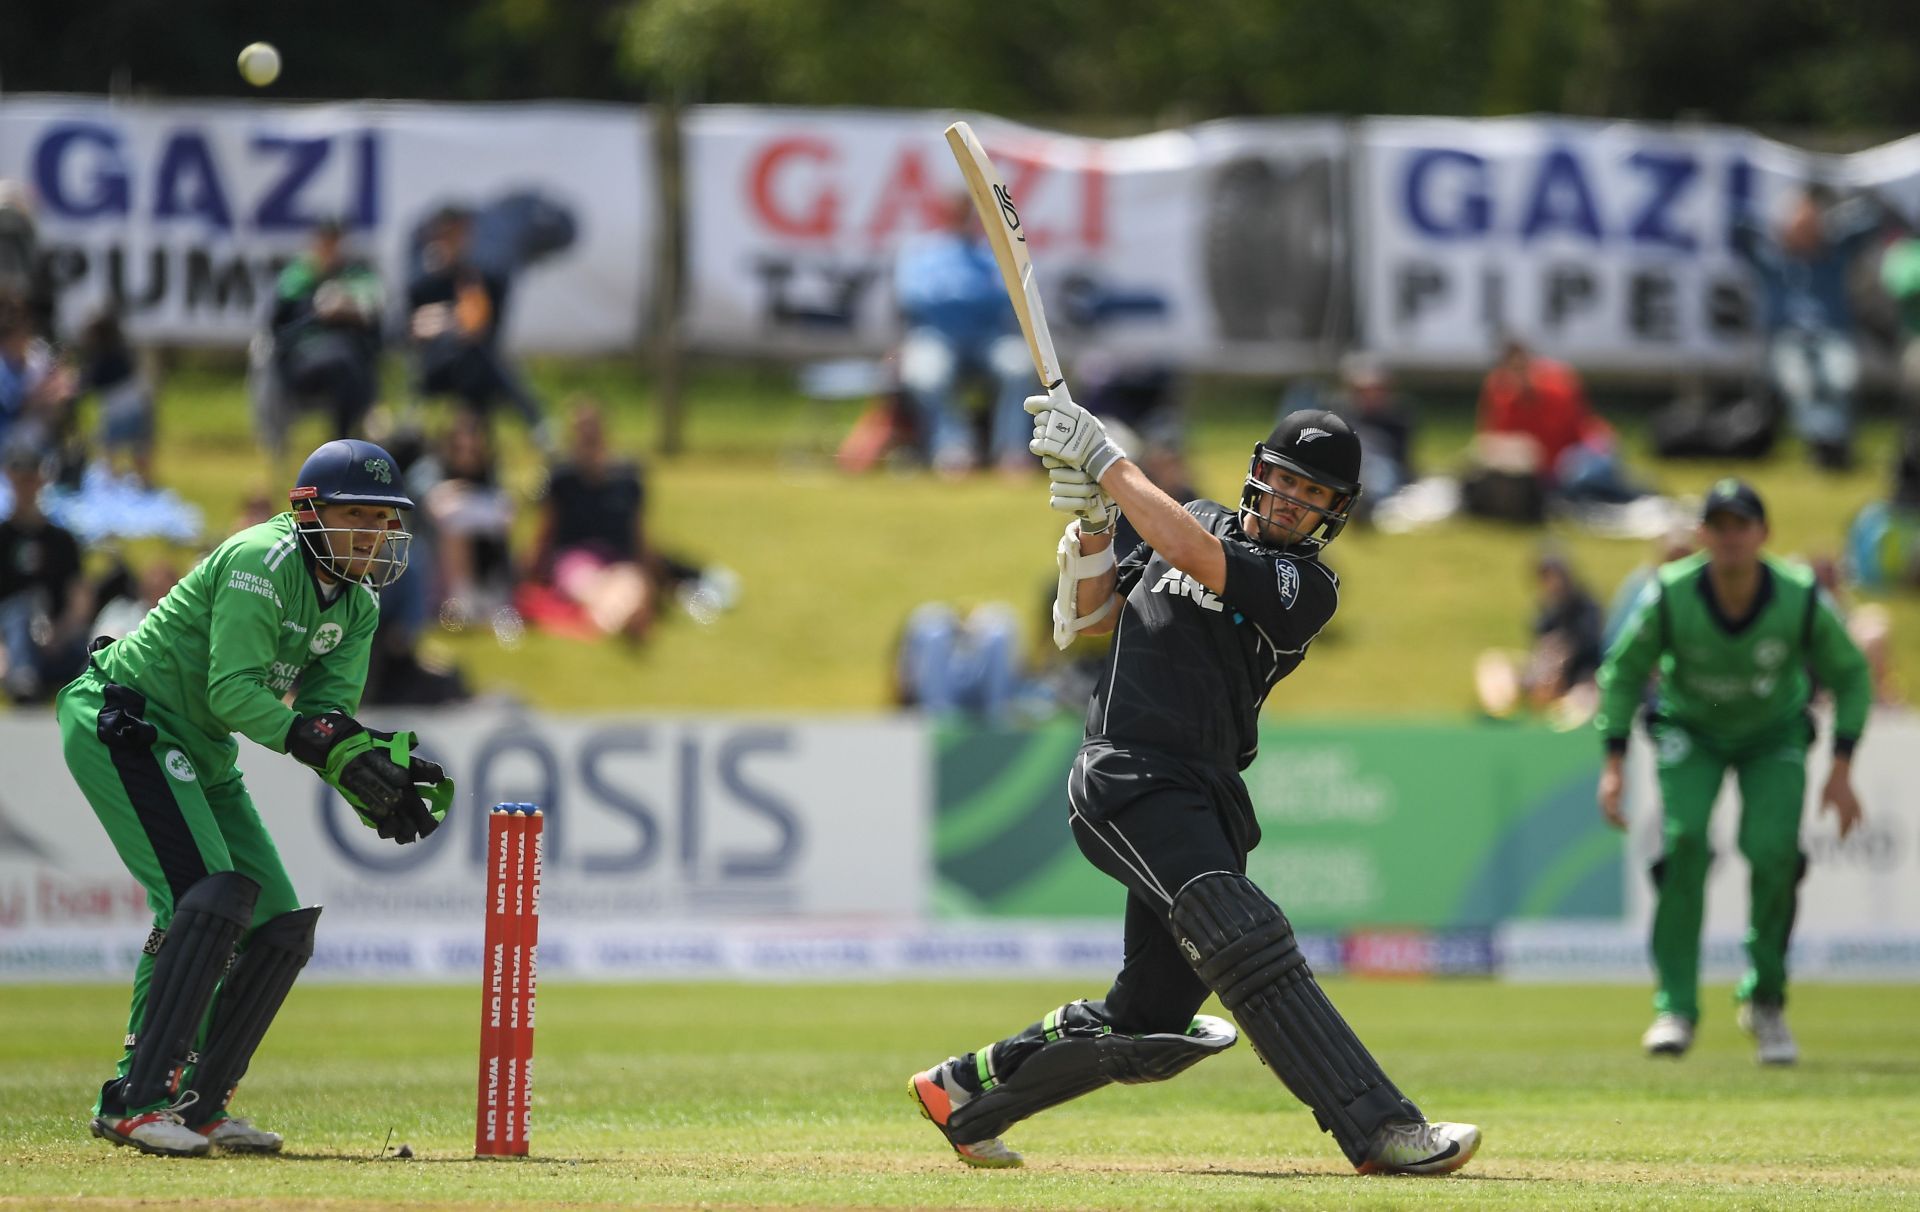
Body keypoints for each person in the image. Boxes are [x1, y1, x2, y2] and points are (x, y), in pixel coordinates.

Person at [906, 399, 1480, 1176]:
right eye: (1283, 480)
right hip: (1126, 771)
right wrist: (1096, 529)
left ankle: (972, 1091)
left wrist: (1110, 466)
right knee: (1245, 936)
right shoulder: (1186, 516)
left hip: (1207, 792)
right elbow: (1086, 619)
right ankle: (1380, 1129)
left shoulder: (1305, 588)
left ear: (1333, 516)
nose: (1291, 502)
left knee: (1148, 1021)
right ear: (1256, 474)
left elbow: (1197, 554)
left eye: (1313, 496)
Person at [53, 438, 454, 1156]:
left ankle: (202, 1103)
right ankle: (134, 1100)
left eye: (386, 519)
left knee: (275, 922)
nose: (376, 535)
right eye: (357, 516)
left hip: (202, 749)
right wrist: (322, 744)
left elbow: (325, 719)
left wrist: (363, 770)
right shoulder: (258, 561)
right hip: (128, 719)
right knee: (201, 898)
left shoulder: (357, 605)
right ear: (308, 513)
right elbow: (234, 691)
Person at [1594, 479, 1870, 1066]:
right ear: (1702, 534)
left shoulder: (1799, 595)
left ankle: (1765, 999)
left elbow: (1851, 675)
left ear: (1763, 533)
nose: (1729, 536)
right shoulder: (1670, 592)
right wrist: (1614, 763)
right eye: (1717, 525)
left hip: (1774, 735)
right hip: (1690, 731)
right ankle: (1675, 1007)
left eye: (1741, 524)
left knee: (1773, 854)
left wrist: (1842, 767)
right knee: (1685, 841)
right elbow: (1621, 674)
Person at [1732, 187, 1885, 470]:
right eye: (1798, 222)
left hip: (1831, 336)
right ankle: (1828, 444)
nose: (1804, 228)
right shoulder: (1772, 260)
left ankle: (1830, 443)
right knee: (1802, 384)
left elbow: (1871, 219)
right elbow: (1735, 223)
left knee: (1841, 378)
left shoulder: (1835, 255)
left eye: (1810, 222)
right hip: (1787, 339)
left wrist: (1833, 214)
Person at [893, 193, 1036, 475]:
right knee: (925, 375)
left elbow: (1011, 297)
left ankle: (1012, 453)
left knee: (1020, 366)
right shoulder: (920, 251)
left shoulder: (993, 252)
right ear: (941, 212)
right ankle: (953, 450)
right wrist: (972, 294)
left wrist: (953, 294)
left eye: (966, 211)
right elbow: (912, 297)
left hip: (988, 338)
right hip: (936, 335)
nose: (962, 217)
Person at [407, 204, 549, 447]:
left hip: (474, 360)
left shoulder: (481, 279)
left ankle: (482, 444)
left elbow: (480, 327)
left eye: (459, 234)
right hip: (438, 362)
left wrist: (446, 319)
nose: (453, 241)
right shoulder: (424, 283)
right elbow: (415, 328)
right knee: (483, 363)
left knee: (479, 362)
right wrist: (451, 322)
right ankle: (533, 422)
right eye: (447, 234)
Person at [1472, 338, 1642, 511]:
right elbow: (1492, 440)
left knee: (1581, 481)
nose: (1520, 375)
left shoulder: (1557, 383)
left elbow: (1576, 430)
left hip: (1583, 450)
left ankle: (1636, 493)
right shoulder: (1499, 393)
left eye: (1523, 367)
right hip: (1545, 470)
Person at [266, 219, 385, 447]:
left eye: (335, 242)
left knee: (348, 360)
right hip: (305, 360)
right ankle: (352, 435)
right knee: (345, 360)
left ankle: (345, 440)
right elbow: (281, 328)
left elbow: (374, 318)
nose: (330, 249)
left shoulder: (356, 275)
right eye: (325, 242)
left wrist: (348, 310)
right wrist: (317, 311)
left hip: (349, 362)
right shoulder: (296, 277)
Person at [1, 441, 91, 702]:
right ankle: (23, 677)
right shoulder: (3, 538)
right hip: (11, 638)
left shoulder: (61, 540)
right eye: (20, 482)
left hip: (55, 636)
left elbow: (79, 597)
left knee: (88, 651)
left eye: (31, 480)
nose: (26, 488)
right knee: (21, 610)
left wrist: (61, 634)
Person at [1474, 549, 1605, 728]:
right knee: (1494, 661)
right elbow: (1538, 651)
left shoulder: (1586, 609)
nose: (1551, 583)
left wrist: (1561, 669)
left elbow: (1588, 650)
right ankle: (1503, 713)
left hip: (1580, 681)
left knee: (1576, 706)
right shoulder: (1545, 613)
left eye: (1554, 576)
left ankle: (1557, 714)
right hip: (1543, 678)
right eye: (1545, 577)